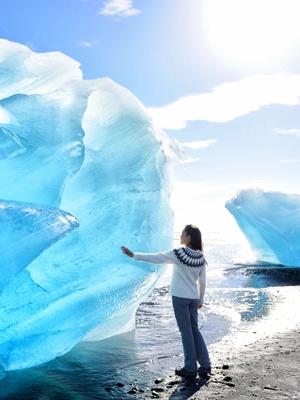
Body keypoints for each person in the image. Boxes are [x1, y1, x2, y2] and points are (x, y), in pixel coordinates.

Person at [121, 224, 211, 380]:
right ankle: (205, 365)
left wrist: (135, 255)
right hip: (193, 298)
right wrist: (201, 299)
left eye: (183, 233)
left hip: (179, 298)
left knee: (186, 332)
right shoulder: (201, 257)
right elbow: (203, 282)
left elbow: (158, 257)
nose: (181, 236)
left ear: (189, 237)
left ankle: (190, 368)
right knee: (194, 330)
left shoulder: (179, 253)